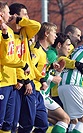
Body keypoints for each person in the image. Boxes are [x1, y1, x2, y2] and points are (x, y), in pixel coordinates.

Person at [9, 3, 48, 133]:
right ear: (14, 15)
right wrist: (23, 80)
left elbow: (36, 25)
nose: (28, 17)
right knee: (13, 122)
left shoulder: (25, 31)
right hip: (16, 82)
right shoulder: (8, 34)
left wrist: (20, 20)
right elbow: (12, 60)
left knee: (29, 122)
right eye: (24, 14)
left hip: (27, 81)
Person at [31, 24, 70, 133]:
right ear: (59, 45)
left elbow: (47, 80)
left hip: (42, 93)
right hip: (39, 93)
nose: (69, 48)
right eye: (67, 45)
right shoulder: (51, 54)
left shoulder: (48, 54)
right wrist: (52, 77)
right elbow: (32, 69)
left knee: (46, 124)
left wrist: (57, 72)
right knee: (65, 119)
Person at [0, 2, 30, 133]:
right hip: (1, 82)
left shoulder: (9, 32)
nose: (10, 15)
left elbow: (10, 55)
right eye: (8, 13)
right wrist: (22, 64)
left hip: (10, 82)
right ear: (1, 14)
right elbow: (5, 59)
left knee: (9, 123)